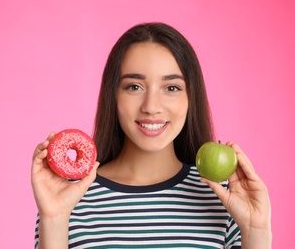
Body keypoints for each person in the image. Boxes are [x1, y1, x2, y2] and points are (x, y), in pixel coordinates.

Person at [31, 22, 272, 248]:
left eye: (171, 88)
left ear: (191, 98)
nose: (151, 106)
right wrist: (54, 218)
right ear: (113, 96)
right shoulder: (69, 198)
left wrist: (256, 230)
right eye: (134, 87)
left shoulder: (225, 198)